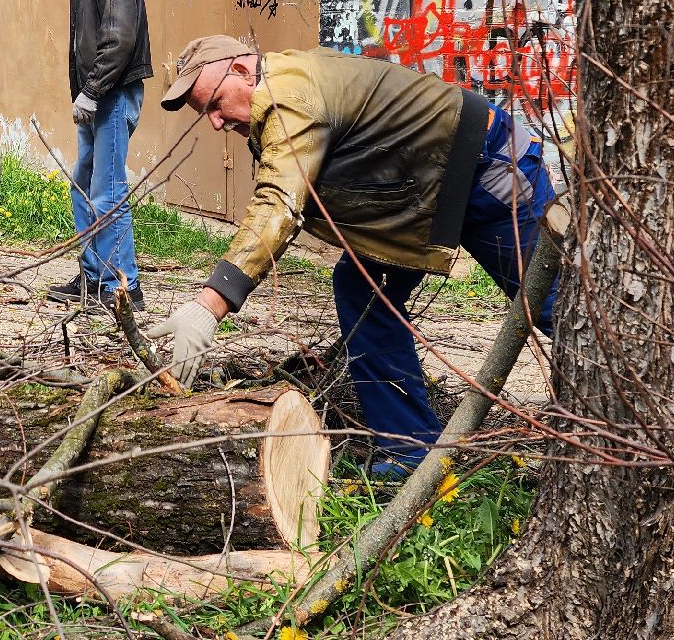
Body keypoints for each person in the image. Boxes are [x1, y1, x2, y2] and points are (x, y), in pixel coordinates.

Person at [144, 36, 560, 474]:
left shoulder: (290, 98)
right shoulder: (281, 82)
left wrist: (210, 304)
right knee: (362, 290)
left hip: (488, 167)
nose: (214, 122)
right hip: (428, 188)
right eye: (204, 113)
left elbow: (279, 203)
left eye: (214, 103)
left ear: (244, 71)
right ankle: (409, 454)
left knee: (558, 307)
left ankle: (614, 429)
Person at [42, 0, 153, 311]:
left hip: (112, 92)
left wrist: (92, 90)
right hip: (99, 94)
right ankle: (94, 275)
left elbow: (119, 37)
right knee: (84, 187)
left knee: (106, 192)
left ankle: (123, 286)